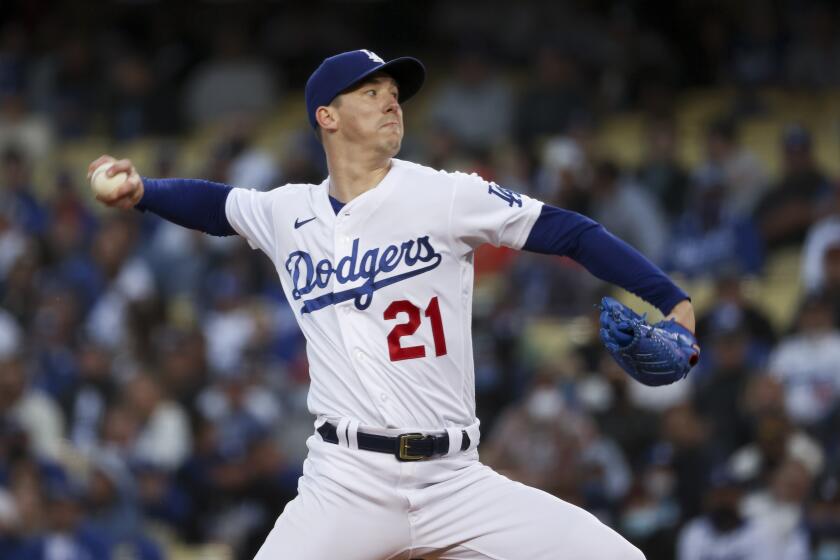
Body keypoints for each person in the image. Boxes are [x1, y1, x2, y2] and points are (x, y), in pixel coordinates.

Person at [88, 49, 696, 560]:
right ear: (326, 116)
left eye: (394, 92)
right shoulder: (286, 211)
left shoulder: (445, 195)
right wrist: (144, 192)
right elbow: (216, 205)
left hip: (454, 479)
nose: (390, 101)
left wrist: (672, 301)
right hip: (345, 481)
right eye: (371, 91)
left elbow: (572, 232)